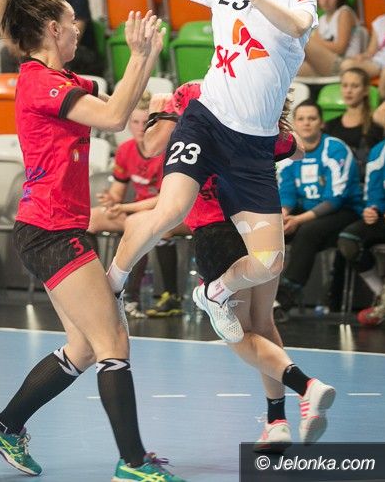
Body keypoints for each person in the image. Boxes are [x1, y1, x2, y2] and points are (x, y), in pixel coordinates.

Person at [0, 0, 186, 482]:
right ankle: (133, 463)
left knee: (87, 347)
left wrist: (150, 74)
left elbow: (122, 114)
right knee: (114, 342)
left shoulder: (63, 79)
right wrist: (140, 56)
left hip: (56, 228)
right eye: (71, 22)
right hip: (49, 231)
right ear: (52, 29)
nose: (77, 30)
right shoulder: (39, 82)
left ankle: (5, 426)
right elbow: (113, 117)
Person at [107, 0, 332, 341]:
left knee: (270, 262)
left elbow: (296, 26)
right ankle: (112, 284)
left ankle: (215, 292)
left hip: (253, 146)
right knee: (170, 210)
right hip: (207, 121)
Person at [144, 82, 336, 448]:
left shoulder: (194, 94)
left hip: (217, 229)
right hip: (260, 227)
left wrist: (161, 112)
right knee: (263, 324)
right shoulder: (252, 111)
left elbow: (152, 146)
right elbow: (298, 149)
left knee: (238, 337)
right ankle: (277, 421)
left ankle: (307, 386)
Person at [274, 100, 362, 318]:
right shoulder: (289, 152)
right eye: (301, 119)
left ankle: (285, 297)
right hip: (304, 212)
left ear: (321, 123)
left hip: (344, 212)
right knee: (270, 230)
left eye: (312, 118)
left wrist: (298, 220)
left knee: (307, 232)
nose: (306, 123)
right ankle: (254, 290)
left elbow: (335, 199)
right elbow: (287, 193)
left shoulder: (335, 149)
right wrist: (284, 215)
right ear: (294, 123)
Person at [88, 91, 166, 319]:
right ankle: (95, 287)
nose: (140, 127)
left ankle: (129, 297)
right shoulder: (125, 150)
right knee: (90, 219)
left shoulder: (165, 150)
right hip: (134, 212)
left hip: (161, 214)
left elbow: (165, 201)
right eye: (135, 122)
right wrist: (110, 200)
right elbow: (117, 192)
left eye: (146, 122)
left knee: (137, 225)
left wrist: (124, 208)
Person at [338, 97, 385, 327]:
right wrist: (372, 209)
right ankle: (384, 297)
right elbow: (373, 192)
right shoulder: (379, 151)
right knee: (348, 240)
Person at [341, 0, 385, 99]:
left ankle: (383, 107)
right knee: (346, 65)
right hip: (379, 61)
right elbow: (372, 51)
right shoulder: (380, 21)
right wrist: (363, 56)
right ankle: (358, 102)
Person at [324, 67, 384, 179]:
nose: (348, 91)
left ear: (365, 90)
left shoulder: (375, 125)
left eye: (355, 86)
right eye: (345, 85)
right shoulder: (330, 125)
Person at [298, 0, 362, 78]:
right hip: (326, 63)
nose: (326, 0)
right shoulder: (322, 19)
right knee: (289, 71)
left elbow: (340, 48)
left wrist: (315, 40)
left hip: (345, 65)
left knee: (301, 37)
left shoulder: (344, 12)